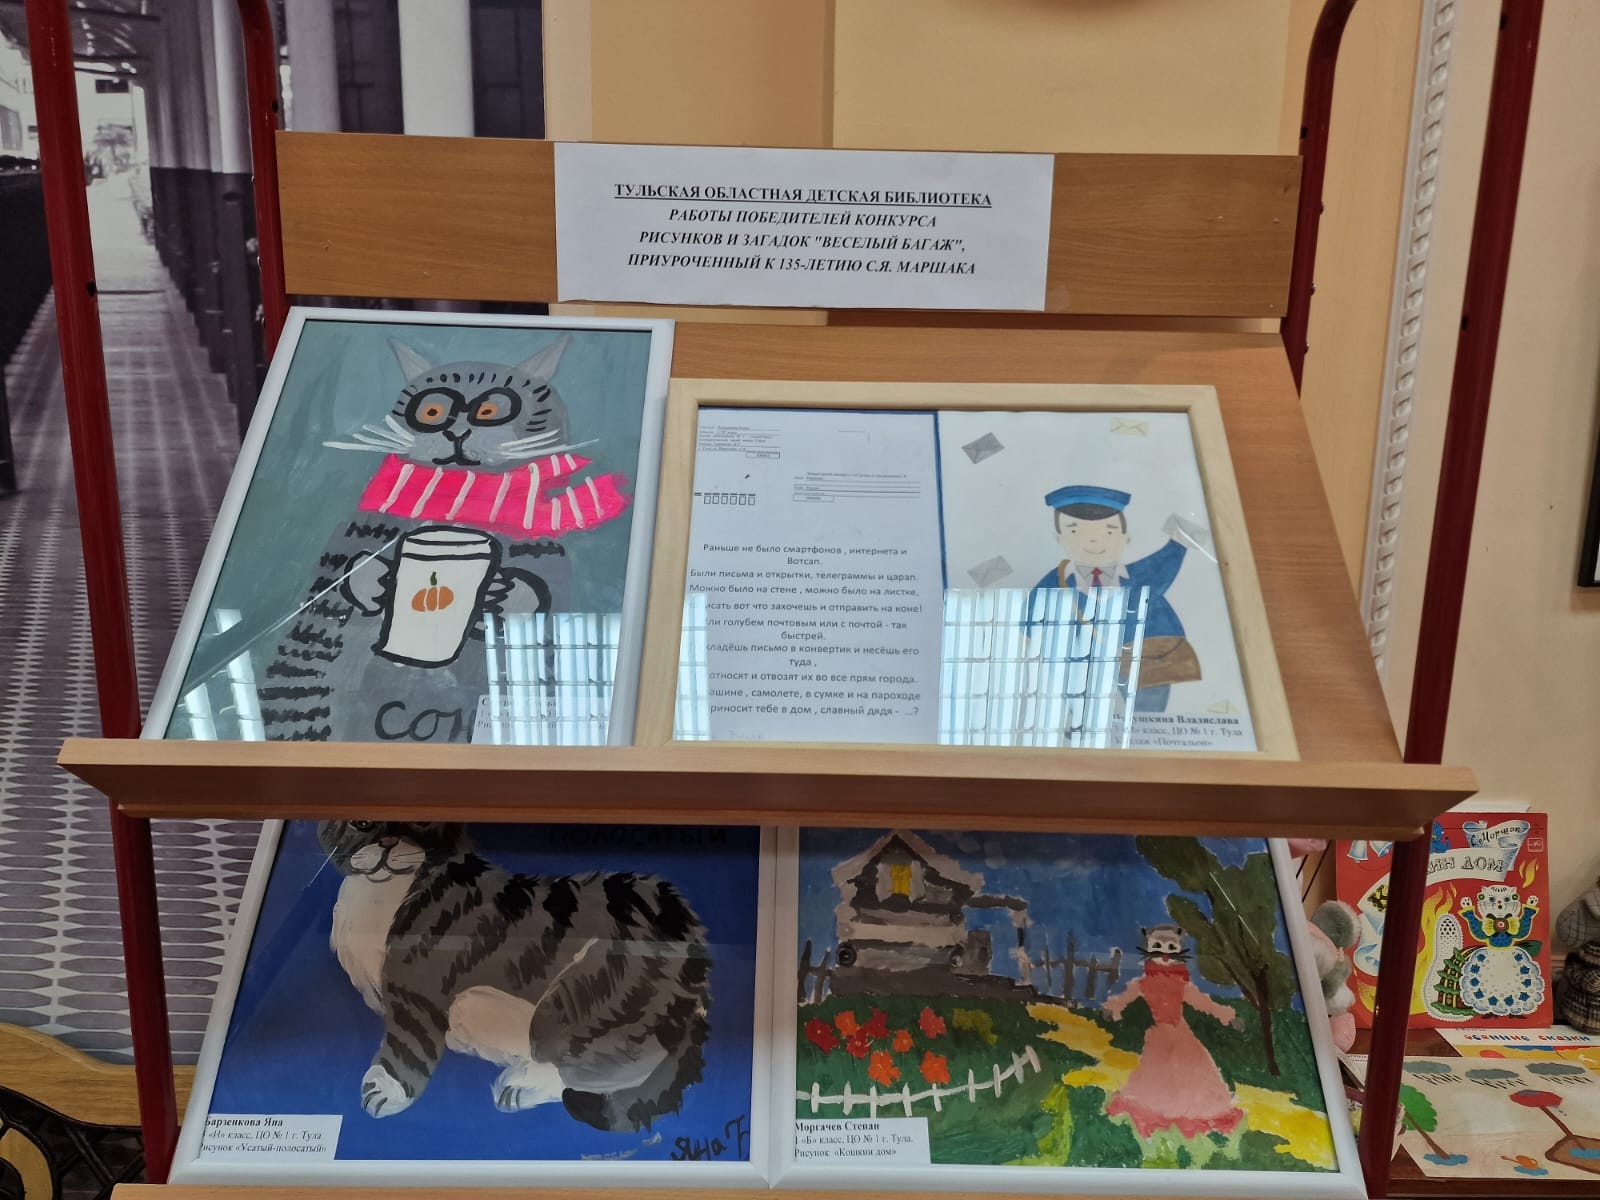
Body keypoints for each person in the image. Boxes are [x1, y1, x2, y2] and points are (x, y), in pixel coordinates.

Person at [1024, 485, 1208, 712]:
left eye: (1109, 532)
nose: (1093, 541)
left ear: (1125, 537)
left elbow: (1164, 564)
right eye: (1075, 532)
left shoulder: (1140, 577)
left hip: (1143, 658)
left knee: (1149, 705)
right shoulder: (1056, 583)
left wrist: (1178, 543)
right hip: (1081, 659)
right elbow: (1032, 617)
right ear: (1058, 538)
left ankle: (1145, 724)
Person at [1102, 924, 1244, 1142]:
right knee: (1158, 1073)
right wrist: (1113, 1007)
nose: (1165, 953)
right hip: (1160, 1035)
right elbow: (1125, 997)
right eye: (1158, 946)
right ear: (1148, 947)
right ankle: (1162, 1111)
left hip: (1181, 1034)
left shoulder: (1181, 984)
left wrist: (1227, 1016)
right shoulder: (1144, 983)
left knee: (1192, 1072)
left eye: (1171, 947)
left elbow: (1203, 1002)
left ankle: (1194, 1112)